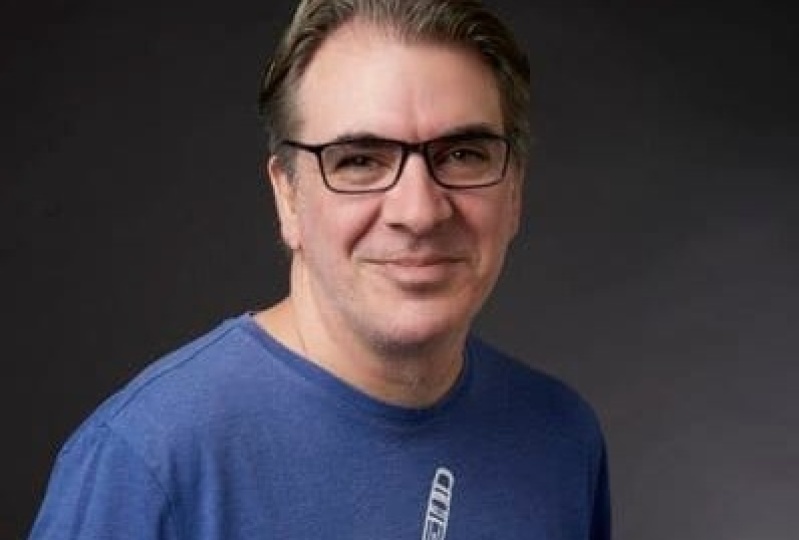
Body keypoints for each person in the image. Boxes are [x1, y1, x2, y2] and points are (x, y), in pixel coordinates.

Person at [28, 0, 611, 538]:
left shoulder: (561, 439)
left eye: (462, 155)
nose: (419, 211)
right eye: (359, 161)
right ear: (288, 197)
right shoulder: (147, 463)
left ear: (514, 192)